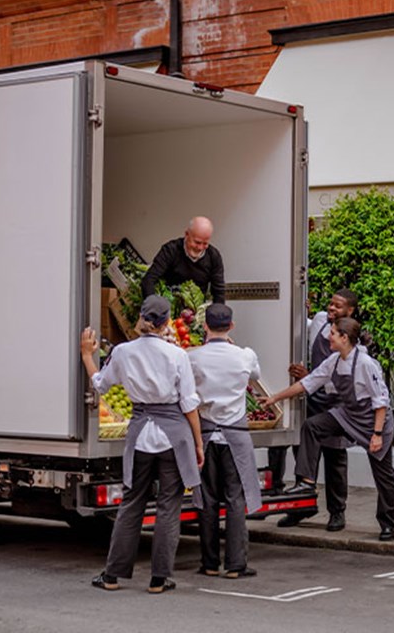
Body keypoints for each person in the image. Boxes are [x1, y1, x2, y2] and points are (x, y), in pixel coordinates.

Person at [80, 295, 205, 593]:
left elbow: (101, 384)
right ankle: (159, 579)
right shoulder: (177, 355)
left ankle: (112, 575)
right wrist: (198, 443)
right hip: (173, 436)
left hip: (139, 434)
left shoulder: (123, 351)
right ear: (166, 322)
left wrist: (87, 355)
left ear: (141, 317)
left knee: (132, 503)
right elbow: (189, 404)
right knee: (168, 506)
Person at [262, 317, 394, 542]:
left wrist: (376, 434)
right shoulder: (334, 361)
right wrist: (274, 398)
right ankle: (305, 481)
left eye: (333, 334)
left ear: (344, 338)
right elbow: (307, 384)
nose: (328, 337)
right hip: (348, 415)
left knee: (384, 476)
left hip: (374, 422)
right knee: (312, 426)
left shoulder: (365, 363)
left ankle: (388, 524)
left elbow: (381, 401)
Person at [268, 289, 357, 531]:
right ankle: (301, 507)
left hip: (336, 403)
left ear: (349, 311)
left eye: (338, 306)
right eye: (330, 303)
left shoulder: (352, 336)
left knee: (335, 457)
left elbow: (341, 378)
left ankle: (337, 512)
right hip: (313, 400)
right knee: (304, 453)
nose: (331, 308)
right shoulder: (319, 320)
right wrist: (298, 308)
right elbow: (303, 327)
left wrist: (309, 377)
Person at [188, 303, 262, 579]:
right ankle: (235, 564)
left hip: (205, 436)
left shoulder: (193, 357)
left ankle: (208, 562)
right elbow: (255, 375)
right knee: (234, 498)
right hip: (236, 437)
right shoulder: (245, 356)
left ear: (204, 326)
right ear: (231, 326)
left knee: (206, 499)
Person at [141, 216, 225, 303]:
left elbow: (219, 292)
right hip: (168, 306)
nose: (200, 247)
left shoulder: (214, 256)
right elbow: (149, 280)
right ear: (186, 234)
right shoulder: (171, 250)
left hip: (197, 310)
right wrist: (154, 308)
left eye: (205, 243)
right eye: (197, 242)